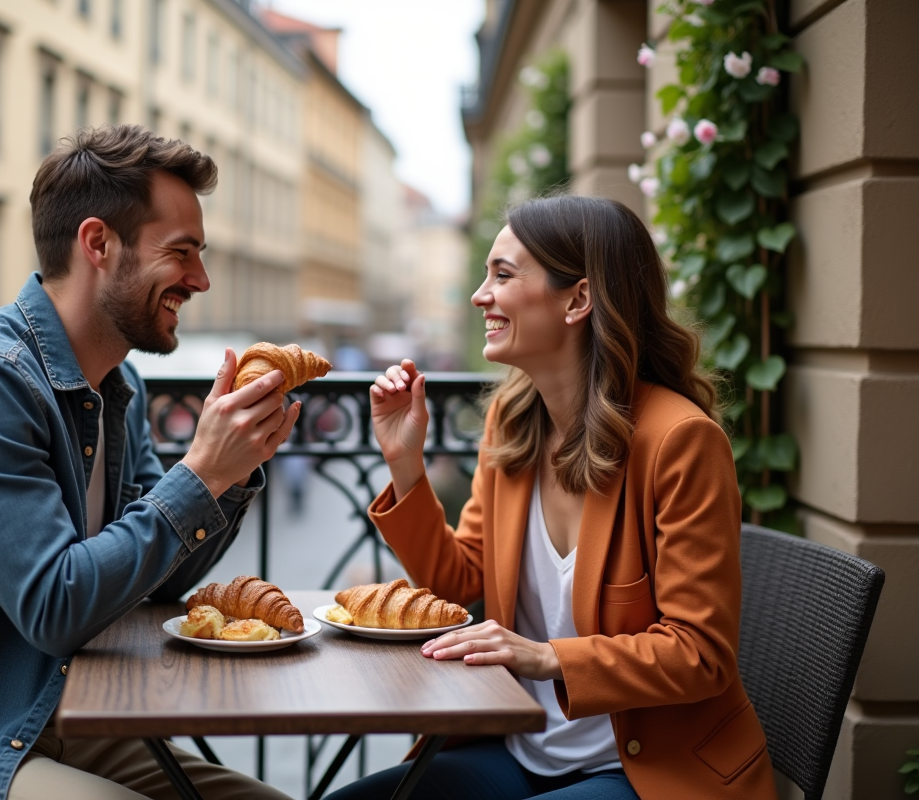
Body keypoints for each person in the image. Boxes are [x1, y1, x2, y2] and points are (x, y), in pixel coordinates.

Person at [0, 125, 299, 800]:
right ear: (98, 244)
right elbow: (55, 605)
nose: (201, 279)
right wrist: (202, 475)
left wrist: (232, 473)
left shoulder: (115, 388)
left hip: (55, 711)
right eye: (182, 253)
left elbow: (160, 581)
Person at [331, 195, 777, 800]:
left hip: (645, 771)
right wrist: (404, 463)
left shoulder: (680, 441)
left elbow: (700, 653)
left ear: (578, 300)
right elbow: (459, 582)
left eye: (503, 275)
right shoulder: (513, 426)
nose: (479, 295)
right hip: (521, 747)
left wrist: (546, 657)